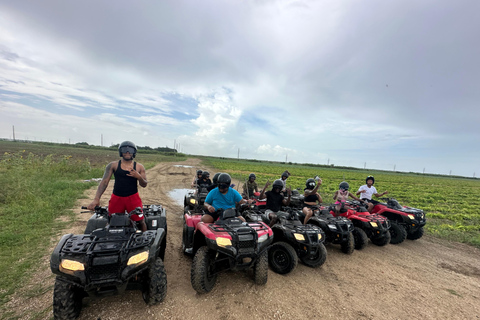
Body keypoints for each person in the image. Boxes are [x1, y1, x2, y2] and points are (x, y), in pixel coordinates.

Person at [87, 141, 148, 231]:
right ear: (120, 152)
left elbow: (144, 184)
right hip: (117, 198)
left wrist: (138, 177)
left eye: (130, 150)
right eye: (124, 150)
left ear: (134, 152)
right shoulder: (113, 165)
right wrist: (96, 199)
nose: (127, 152)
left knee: (140, 221)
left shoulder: (139, 167)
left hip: (133, 198)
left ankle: (144, 239)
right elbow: (104, 182)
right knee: (112, 221)